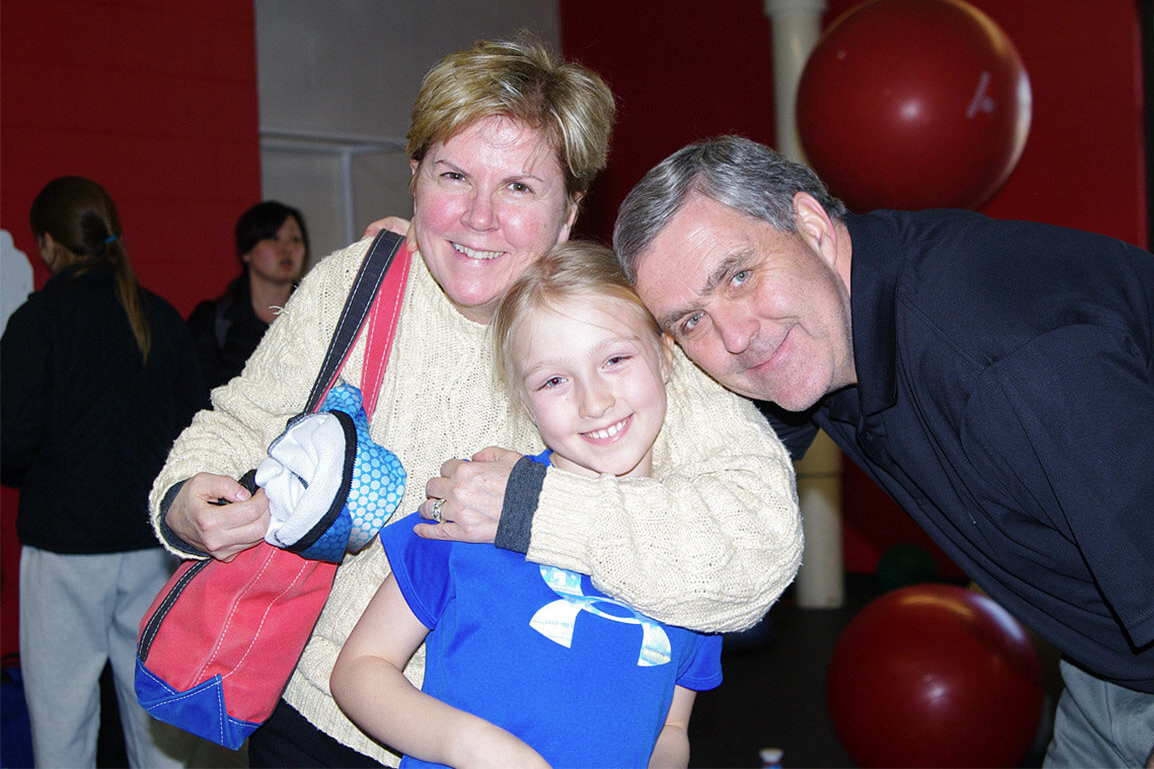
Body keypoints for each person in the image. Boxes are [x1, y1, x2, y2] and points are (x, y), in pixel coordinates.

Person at [149, 40, 801, 767]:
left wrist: (529, 508)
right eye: (454, 175)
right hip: (323, 716)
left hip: (537, 742)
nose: (478, 217)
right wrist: (187, 496)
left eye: (520, 187)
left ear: (568, 211)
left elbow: (761, 545)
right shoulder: (355, 285)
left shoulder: (618, 331)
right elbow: (239, 423)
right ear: (415, 178)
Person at [611, 134, 1154, 769]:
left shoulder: (1003, 359)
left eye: (738, 274)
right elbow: (686, 488)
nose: (736, 337)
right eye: (690, 321)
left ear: (810, 225)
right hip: (1114, 669)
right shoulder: (825, 325)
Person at [332, 241, 722, 768]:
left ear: (665, 355)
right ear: (524, 399)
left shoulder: (700, 547)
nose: (595, 400)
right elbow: (361, 668)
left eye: (615, 359)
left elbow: (672, 725)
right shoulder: (471, 512)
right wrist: (472, 747)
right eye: (554, 380)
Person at [1, 176, 208, 767]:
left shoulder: (37, 321)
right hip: (152, 548)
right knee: (156, 728)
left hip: (65, 553)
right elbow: (197, 432)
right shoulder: (160, 317)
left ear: (46, 244)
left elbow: (10, 443)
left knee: (62, 726)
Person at [188, 200, 309, 390]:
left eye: (295, 239)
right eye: (272, 238)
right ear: (246, 251)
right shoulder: (213, 321)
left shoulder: (315, 319)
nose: (286, 248)